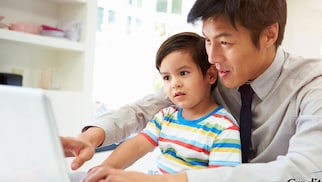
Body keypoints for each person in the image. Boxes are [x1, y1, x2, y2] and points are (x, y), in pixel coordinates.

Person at [66, 0, 322, 182]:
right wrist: (93, 137)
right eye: (207, 41)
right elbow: (147, 108)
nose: (211, 57)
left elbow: (309, 176)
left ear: (269, 34)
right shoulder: (216, 75)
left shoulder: (318, 83)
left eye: (225, 42)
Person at [86, 32, 241, 174]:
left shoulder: (224, 128)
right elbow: (137, 145)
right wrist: (106, 168)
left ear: (211, 75)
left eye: (183, 73)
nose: (174, 84)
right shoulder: (166, 116)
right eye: (167, 77)